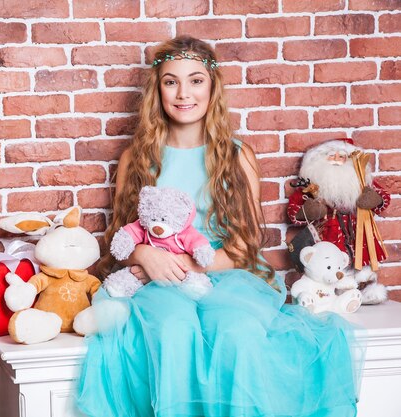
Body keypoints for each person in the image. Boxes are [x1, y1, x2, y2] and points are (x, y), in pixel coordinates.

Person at [75, 36, 363, 417]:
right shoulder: (137, 158)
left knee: (236, 331)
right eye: (170, 81)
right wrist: (145, 255)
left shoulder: (237, 156)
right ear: (157, 90)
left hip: (223, 274)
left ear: (212, 88)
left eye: (195, 80)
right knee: (174, 331)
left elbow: (244, 245)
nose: (183, 93)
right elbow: (121, 235)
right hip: (154, 280)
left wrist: (191, 265)